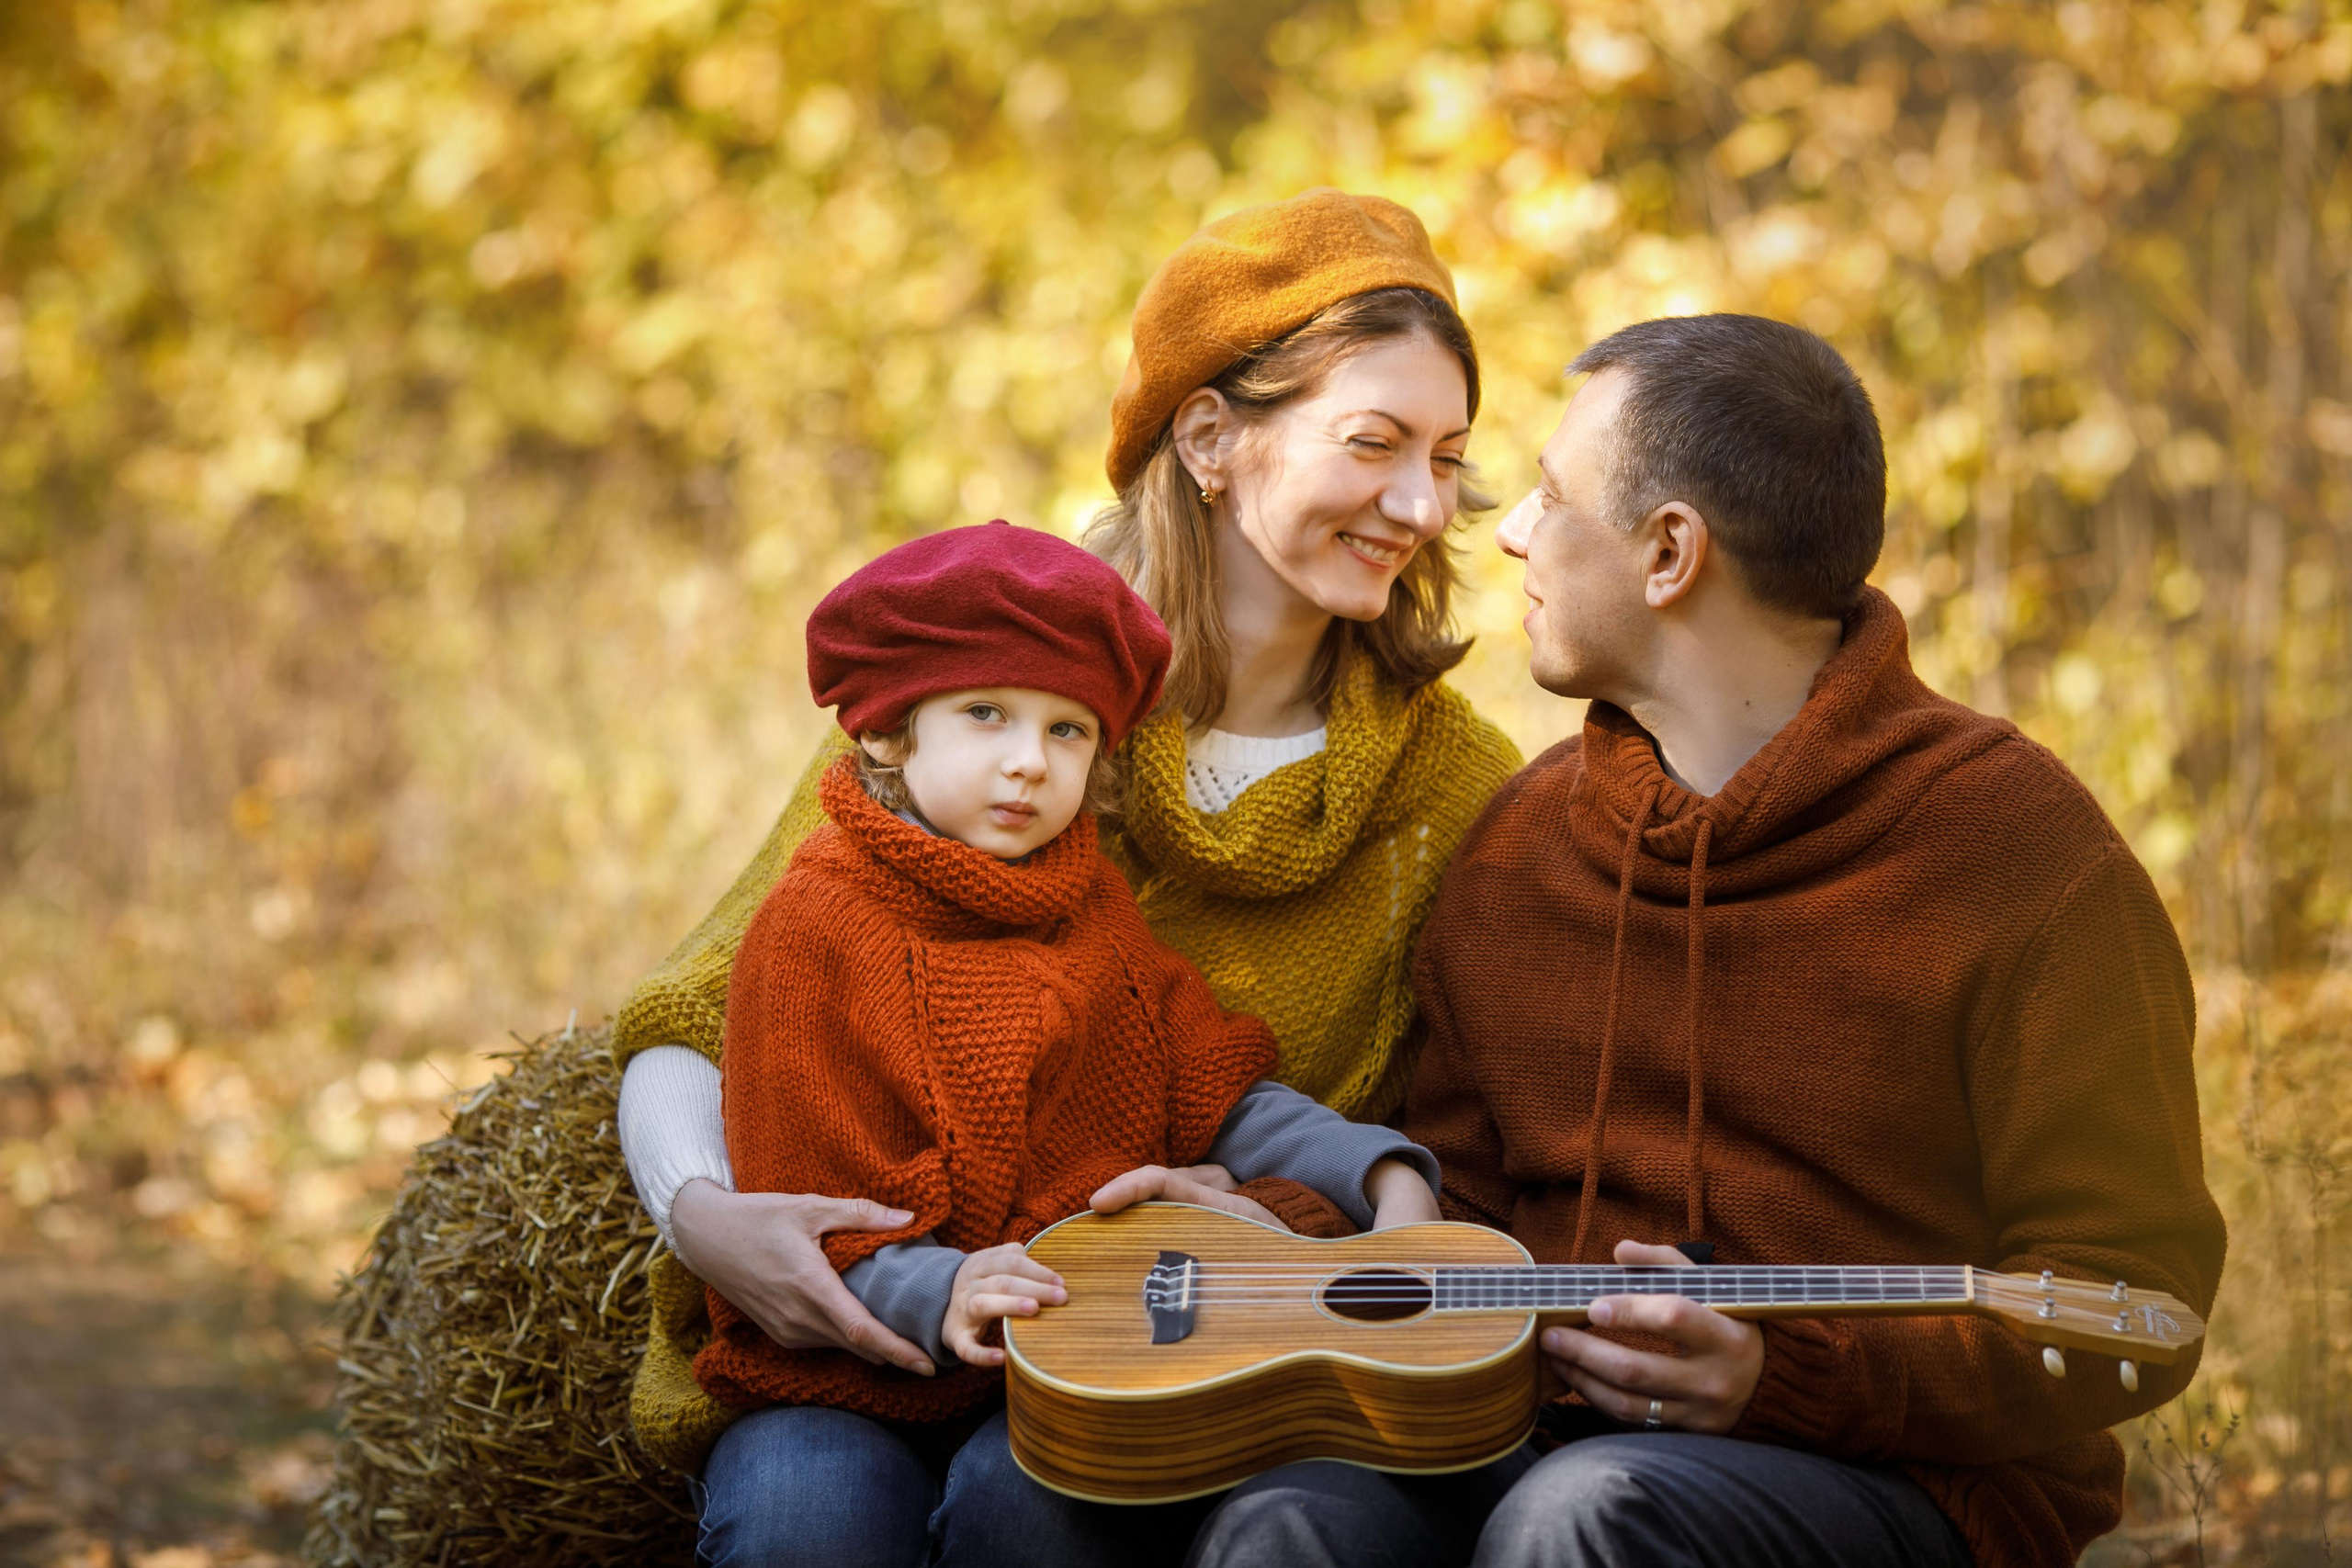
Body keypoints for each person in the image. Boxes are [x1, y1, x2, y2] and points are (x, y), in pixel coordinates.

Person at [1185, 314, 2227, 1568]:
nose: (1505, 528)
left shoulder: (2017, 851)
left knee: (1589, 1515)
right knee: (1289, 1518)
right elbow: (1459, 1199)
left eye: (1553, 496)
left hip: (1899, 1478)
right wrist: (1255, 1228)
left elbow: (2145, 1302)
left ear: (1671, 550)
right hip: (1526, 1432)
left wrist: (1785, 1375)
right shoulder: (1521, 845)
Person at [608, 188, 1524, 1560]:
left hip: (1181, 1344)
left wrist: (1318, 1215)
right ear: (1211, 436)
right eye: (1375, 443)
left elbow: (1361, 1104)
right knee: (808, 1517)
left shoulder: (1449, 785)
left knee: (1025, 1502)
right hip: (859, 1316)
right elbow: (700, 1010)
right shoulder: (986, 671)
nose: (1418, 503)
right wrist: (706, 1216)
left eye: (1447, 458)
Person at [696, 520, 1441, 1566]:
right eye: (986, 714)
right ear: (886, 732)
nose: (1026, 762)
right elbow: (802, 1198)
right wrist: (935, 1290)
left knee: (1040, 1506)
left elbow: (1217, 1091)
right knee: (802, 1525)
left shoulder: (1094, 916)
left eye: (1067, 731)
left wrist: (1381, 1174)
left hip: (1071, 1346)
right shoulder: (816, 924)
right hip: (846, 1364)